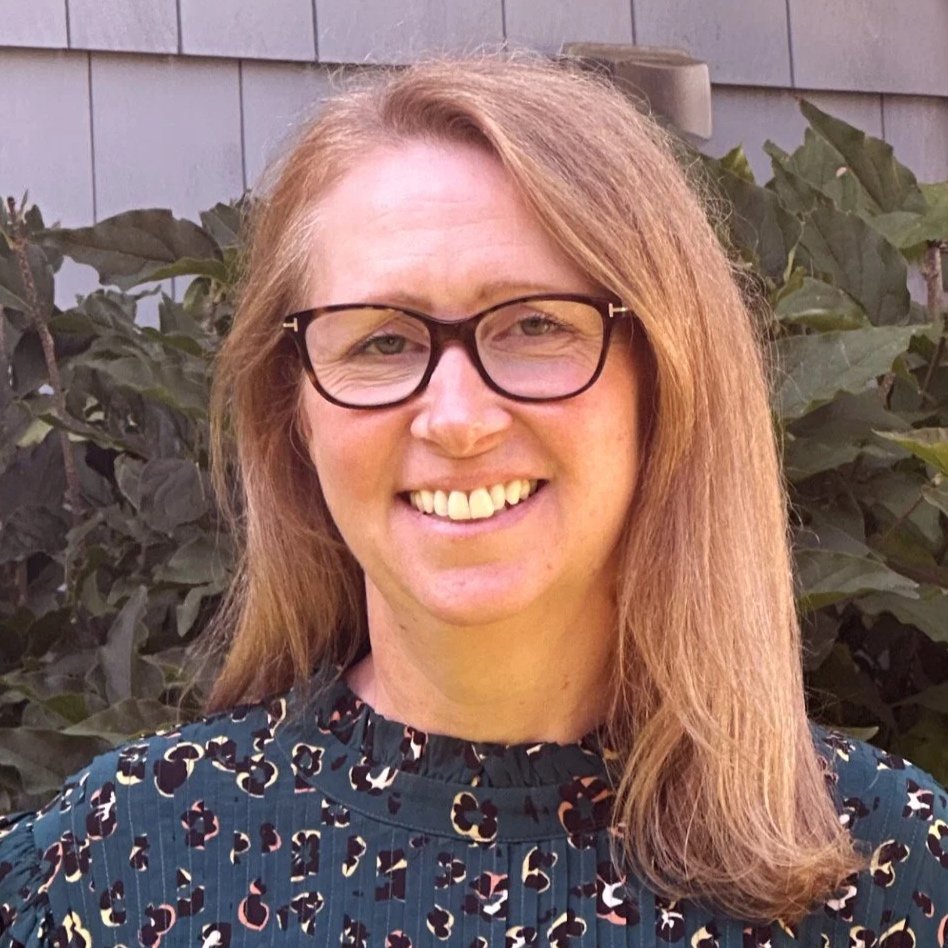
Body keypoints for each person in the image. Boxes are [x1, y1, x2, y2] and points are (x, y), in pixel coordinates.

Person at [1, 54, 945, 947]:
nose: (454, 417)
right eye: (379, 341)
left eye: (536, 324)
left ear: (666, 385)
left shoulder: (880, 873)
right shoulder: (129, 862)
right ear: (295, 416)